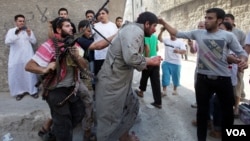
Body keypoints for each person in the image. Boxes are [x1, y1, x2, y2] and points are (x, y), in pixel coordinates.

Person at [158, 8, 248, 141]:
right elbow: (177, 32)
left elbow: (242, 53)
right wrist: (163, 23)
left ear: (219, 21)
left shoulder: (228, 36)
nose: (206, 20)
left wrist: (244, 61)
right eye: (206, 18)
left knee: (227, 114)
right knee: (202, 113)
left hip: (223, 80)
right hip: (203, 80)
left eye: (210, 18)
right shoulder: (198, 33)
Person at [95, 11, 162, 141]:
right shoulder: (134, 30)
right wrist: (149, 61)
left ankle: (123, 136)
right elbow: (131, 58)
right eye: (154, 26)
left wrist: (146, 61)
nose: (155, 30)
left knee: (132, 106)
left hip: (121, 83)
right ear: (147, 24)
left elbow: (132, 57)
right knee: (109, 119)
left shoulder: (135, 31)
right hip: (112, 84)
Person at [25, 17, 86, 141]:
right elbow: (29, 66)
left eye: (71, 26)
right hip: (55, 90)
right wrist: (45, 69)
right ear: (58, 29)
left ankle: (52, 136)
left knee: (79, 113)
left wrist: (77, 57)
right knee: (63, 124)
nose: (71, 28)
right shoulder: (49, 45)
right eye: (67, 26)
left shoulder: (74, 44)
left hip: (71, 88)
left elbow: (84, 66)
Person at [5, 14, 38, 101]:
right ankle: (19, 92)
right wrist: (17, 34)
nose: (22, 23)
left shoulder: (28, 31)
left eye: (23, 21)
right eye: (20, 21)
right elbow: (7, 41)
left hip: (28, 56)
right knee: (17, 74)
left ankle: (32, 91)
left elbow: (34, 42)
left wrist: (30, 34)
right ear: (15, 22)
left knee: (30, 74)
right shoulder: (11, 31)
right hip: (16, 58)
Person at [224, 13, 246, 113]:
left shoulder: (240, 33)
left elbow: (244, 50)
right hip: (225, 64)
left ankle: (236, 107)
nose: (225, 21)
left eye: (227, 19)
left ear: (233, 21)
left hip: (237, 63)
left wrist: (243, 62)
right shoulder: (220, 31)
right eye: (224, 19)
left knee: (238, 84)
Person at [135, 34, 162, 109]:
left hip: (150, 60)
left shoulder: (146, 37)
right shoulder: (154, 36)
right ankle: (158, 102)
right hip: (156, 60)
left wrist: (146, 60)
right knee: (156, 82)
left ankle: (141, 92)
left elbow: (147, 48)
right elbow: (157, 49)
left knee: (144, 77)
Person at [158, 28, 186, 96]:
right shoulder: (166, 39)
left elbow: (184, 51)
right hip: (166, 62)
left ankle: (175, 89)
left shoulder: (180, 42)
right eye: (171, 34)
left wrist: (178, 51)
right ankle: (164, 91)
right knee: (165, 76)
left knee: (176, 77)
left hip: (176, 63)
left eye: (173, 34)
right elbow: (159, 39)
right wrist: (161, 31)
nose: (172, 35)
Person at [93, 8, 118, 75]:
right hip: (99, 56)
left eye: (103, 13)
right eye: (99, 14)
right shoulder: (95, 26)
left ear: (107, 14)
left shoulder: (113, 26)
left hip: (111, 56)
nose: (101, 15)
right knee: (99, 76)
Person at [189, 21, 205, 108]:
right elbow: (193, 51)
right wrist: (191, 46)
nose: (200, 28)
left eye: (202, 26)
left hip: (209, 67)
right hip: (199, 66)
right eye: (199, 26)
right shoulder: (197, 39)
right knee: (197, 85)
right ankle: (198, 101)